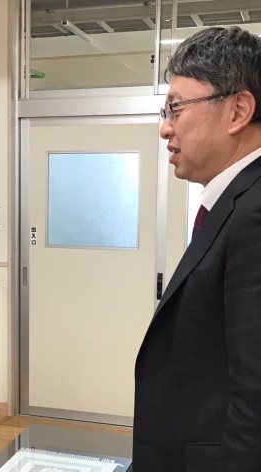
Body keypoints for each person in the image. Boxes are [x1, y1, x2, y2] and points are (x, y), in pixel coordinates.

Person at [134, 26, 261, 471]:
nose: (165, 128)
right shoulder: (233, 202)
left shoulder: (255, 215)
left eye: (176, 108)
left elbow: (255, 399)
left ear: (238, 110)